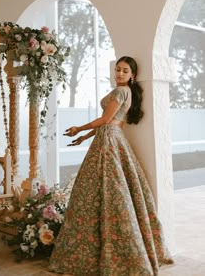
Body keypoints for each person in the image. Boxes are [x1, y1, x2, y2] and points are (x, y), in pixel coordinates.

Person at [48, 56, 173, 275]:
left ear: (132, 75)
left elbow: (106, 119)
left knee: (104, 190)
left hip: (109, 141)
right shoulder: (126, 92)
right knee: (105, 190)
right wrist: (84, 137)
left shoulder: (122, 92)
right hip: (110, 137)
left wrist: (79, 128)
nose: (120, 74)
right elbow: (110, 122)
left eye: (125, 71)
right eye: (118, 69)